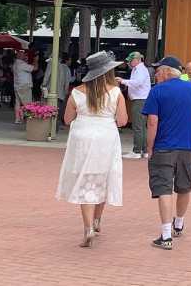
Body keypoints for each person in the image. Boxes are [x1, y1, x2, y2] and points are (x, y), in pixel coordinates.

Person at [143, 55, 191, 250]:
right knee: (184, 187)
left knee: (164, 189)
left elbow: (152, 122)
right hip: (187, 148)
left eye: (158, 71)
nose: (156, 75)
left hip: (163, 147)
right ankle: (179, 223)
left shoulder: (157, 92)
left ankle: (166, 235)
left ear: (168, 71)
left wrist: (149, 146)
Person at [55, 51, 126, 248]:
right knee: (102, 178)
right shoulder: (115, 91)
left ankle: (88, 228)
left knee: (85, 181)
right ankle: (97, 220)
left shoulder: (77, 92)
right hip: (106, 137)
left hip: (82, 137)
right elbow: (122, 120)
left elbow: (67, 120)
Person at [121, 51, 152, 159]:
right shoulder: (138, 69)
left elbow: (137, 82)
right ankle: (143, 150)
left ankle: (137, 150)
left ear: (138, 60)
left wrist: (123, 81)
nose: (129, 62)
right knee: (142, 126)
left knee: (138, 126)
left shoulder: (140, 70)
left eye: (131, 60)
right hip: (141, 99)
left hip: (140, 100)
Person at [43, 53, 74, 127]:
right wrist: (66, 91)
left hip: (51, 90)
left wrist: (43, 85)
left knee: (49, 108)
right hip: (61, 92)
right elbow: (67, 81)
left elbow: (47, 76)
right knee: (58, 109)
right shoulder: (65, 67)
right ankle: (55, 126)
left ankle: (49, 126)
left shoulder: (51, 63)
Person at [12, 49, 37, 125]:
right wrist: (36, 60)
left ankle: (18, 119)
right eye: (23, 54)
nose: (25, 55)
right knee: (27, 103)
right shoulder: (22, 64)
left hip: (17, 86)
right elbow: (35, 68)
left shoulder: (15, 63)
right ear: (19, 56)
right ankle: (30, 119)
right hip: (24, 86)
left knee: (18, 104)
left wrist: (26, 60)